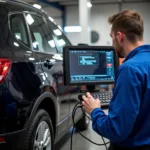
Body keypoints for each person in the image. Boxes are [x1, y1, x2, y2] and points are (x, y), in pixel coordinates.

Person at [82, 10, 150, 150]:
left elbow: (116, 131)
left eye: (111, 37)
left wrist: (95, 110)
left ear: (119, 36)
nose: (112, 42)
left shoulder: (129, 69)